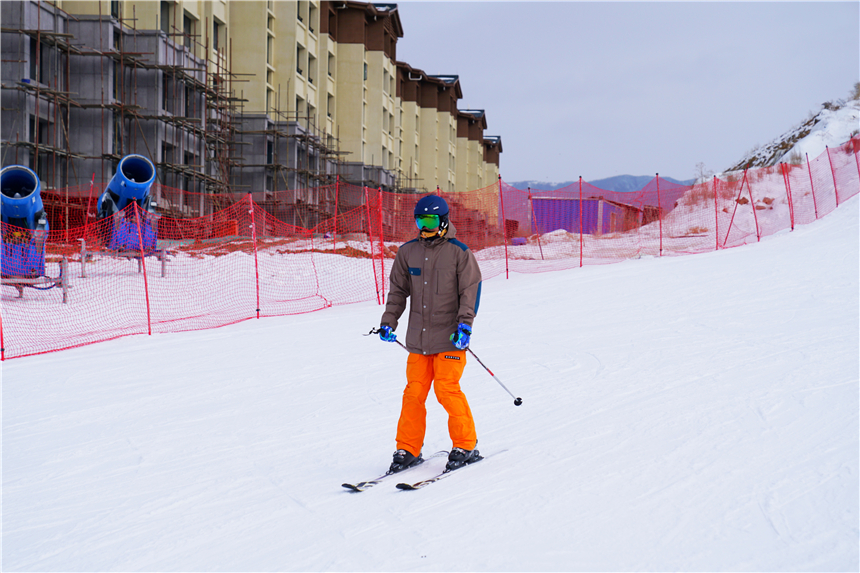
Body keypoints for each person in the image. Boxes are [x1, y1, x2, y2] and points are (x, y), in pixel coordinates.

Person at [378, 194, 483, 473]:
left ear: (444, 221)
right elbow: (398, 292)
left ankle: (465, 445)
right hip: (418, 340)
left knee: (447, 390)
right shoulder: (407, 252)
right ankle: (408, 449)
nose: (425, 227)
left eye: (431, 221)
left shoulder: (459, 253)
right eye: (420, 220)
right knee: (413, 393)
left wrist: (465, 326)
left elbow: (470, 293)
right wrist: (389, 321)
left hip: (450, 337)